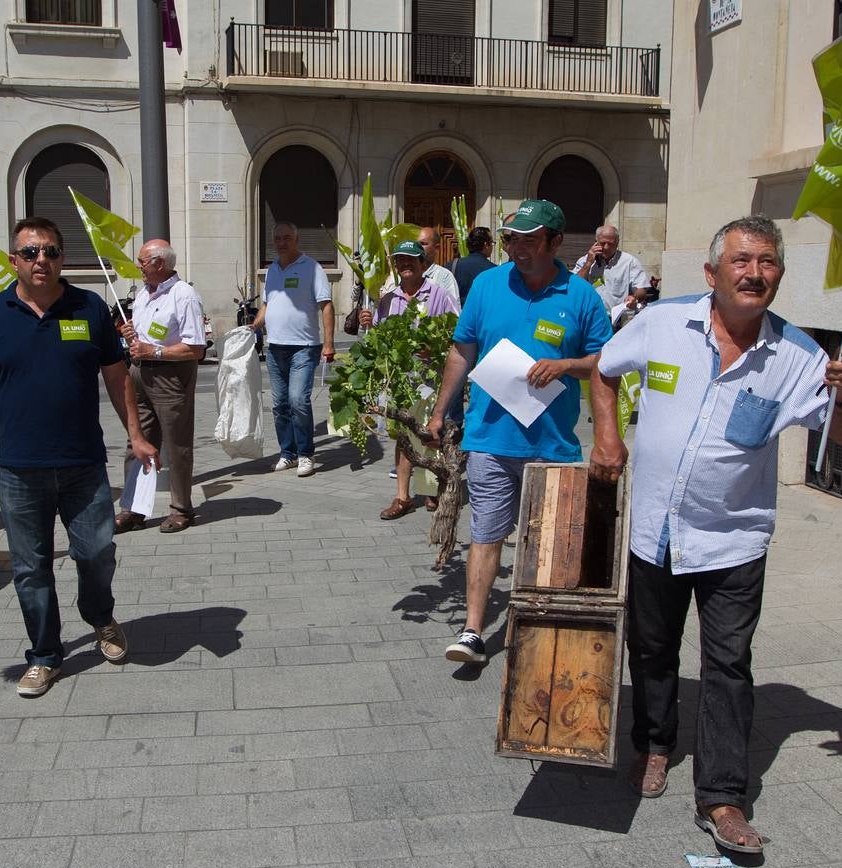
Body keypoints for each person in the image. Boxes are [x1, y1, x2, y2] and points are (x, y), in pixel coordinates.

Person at [588, 215, 842, 854]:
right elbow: (604, 370)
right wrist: (607, 435)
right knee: (652, 652)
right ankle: (655, 745)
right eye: (741, 261)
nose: (754, 273)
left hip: (734, 540)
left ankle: (721, 796)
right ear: (712, 273)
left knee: (728, 665)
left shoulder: (798, 356)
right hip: (655, 530)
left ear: (779, 277)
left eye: (766, 262)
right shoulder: (662, 323)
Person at [0, 217, 158, 699]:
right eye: (32, 252)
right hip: (20, 469)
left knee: (97, 553)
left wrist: (136, 437)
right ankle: (43, 655)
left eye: (52, 252)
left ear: (63, 257)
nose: (43, 261)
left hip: (83, 464)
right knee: (29, 567)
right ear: (13, 259)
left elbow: (118, 379)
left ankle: (100, 616)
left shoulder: (89, 307)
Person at [424, 200, 613, 663]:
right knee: (486, 533)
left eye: (530, 240)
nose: (518, 249)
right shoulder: (487, 285)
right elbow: (461, 351)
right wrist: (438, 411)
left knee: (547, 539)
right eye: (512, 240)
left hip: (552, 445)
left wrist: (568, 364)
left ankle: (538, 626)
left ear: (554, 242)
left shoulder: (581, 296)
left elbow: (607, 362)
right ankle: (472, 630)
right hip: (489, 438)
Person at [358, 240, 459, 521]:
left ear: (423, 264)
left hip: (431, 377)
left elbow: (458, 335)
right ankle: (402, 497)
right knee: (403, 436)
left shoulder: (439, 295)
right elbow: (378, 339)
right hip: (399, 379)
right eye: (400, 260)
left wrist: (435, 348)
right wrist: (367, 323)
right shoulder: (388, 299)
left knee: (429, 434)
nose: (405, 265)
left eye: (410, 260)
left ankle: (431, 490)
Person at [115, 238, 206, 534]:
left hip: (170, 377)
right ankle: (133, 509)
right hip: (139, 373)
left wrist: (153, 351)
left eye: (142, 261)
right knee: (136, 440)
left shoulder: (184, 295)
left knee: (176, 445)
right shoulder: (143, 294)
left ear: (160, 264)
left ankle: (182, 509)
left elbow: (196, 349)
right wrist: (131, 335)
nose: (138, 266)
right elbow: (143, 341)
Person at [251, 222, 334, 477]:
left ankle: (306, 453)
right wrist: (253, 325)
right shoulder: (273, 270)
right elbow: (268, 304)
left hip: (305, 347)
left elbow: (327, 306)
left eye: (287, 238)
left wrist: (329, 344)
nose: (281, 242)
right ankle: (288, 453)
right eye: (277, 238)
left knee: (298, 400)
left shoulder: (312, 268)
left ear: (297, 240)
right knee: (280, 404)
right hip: (275, 347)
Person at [573, 225, 651, 319]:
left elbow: (641, 289)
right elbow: (574, 286)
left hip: (618, 319)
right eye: (602, 243)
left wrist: (634, 297)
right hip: (591, 318)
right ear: (596, 242)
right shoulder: (585, 261)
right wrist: (588, 263)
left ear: (617, 243)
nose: (606, 247)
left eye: (610, 244)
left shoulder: (629, 262)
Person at [449, 226, 497, 304]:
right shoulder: (495, 270)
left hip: (456, 314)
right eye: (492, 243)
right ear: (486, 245)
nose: (492, 246)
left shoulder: (452, 265)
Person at [417, 226, 462, 300]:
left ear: (436, 248)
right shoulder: (405, 274)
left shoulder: (445, 277)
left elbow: (452, 308)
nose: (418, 247)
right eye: (417, 244)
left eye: (423, 243)